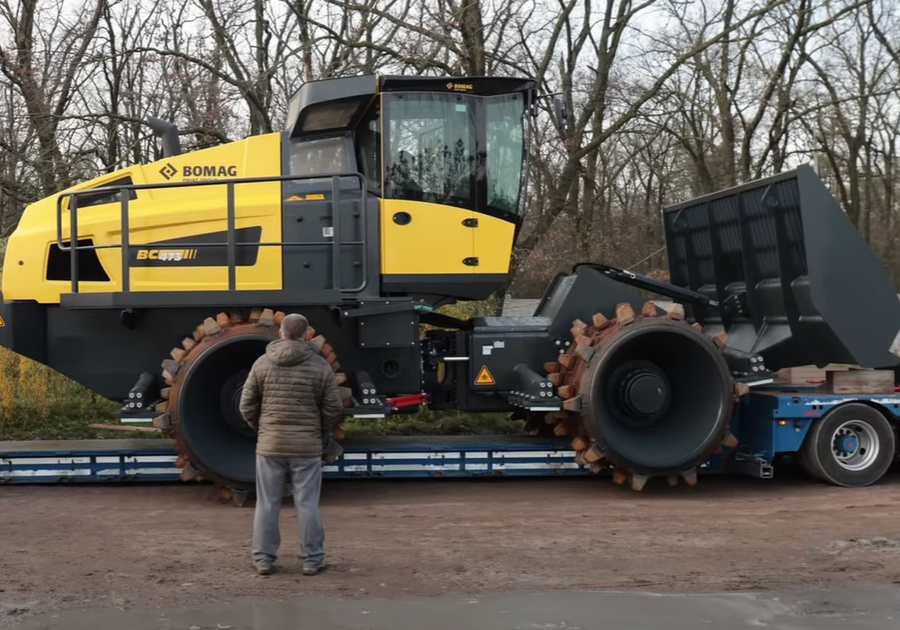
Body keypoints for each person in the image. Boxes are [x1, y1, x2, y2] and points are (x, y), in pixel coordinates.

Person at [239, 313, 343, 576]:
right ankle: (312, 560)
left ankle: (263, 560)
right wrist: (320, 432)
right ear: (307, 335)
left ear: (281, 333)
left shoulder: (262, 363)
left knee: (267, 503)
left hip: (270, 445)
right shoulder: (320, 366)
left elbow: (246, 405)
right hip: (306, 447)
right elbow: (333, 407)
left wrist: (262, 429)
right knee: (307, 504)